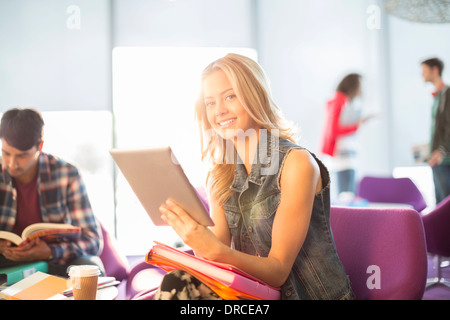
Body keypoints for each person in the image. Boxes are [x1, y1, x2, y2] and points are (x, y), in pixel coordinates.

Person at [154, 54, 354, 300]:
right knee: (177, 283)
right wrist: (192, 234)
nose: (220, 111)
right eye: (210, 103)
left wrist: (215, 250)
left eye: (230, 96)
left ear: (255, 96)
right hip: (255, 298)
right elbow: (214, 254)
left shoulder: (296, 164)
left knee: (177, 286)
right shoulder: (220, 175)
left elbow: (278, 271)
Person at [0, 108, 105, 277]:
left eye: (22, 156)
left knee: (91, 268)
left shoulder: (66, 174)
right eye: (6, 153)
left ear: (39, 146)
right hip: (6, 259)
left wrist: (50, 251)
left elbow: (93, 240)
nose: (12, 163)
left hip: (55, 261)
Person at [320, 73, 372, 197]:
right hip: (342, 157)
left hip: (346, 155)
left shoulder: (344, 101)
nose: (362, 89)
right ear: (353, 85)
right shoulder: (339, 100)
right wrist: (355, 126)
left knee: (347, 193)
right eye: (360, 85)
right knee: (345, 196)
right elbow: (334, 130)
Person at [421, 58, 450, 205]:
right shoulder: (438, 96)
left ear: (435, 70)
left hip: (444, 158)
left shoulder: (447, 94)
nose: (422, 75)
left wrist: (442, 150)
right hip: (436, 158)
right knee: (439, 204)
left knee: (445, 206)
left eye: (424, 71)